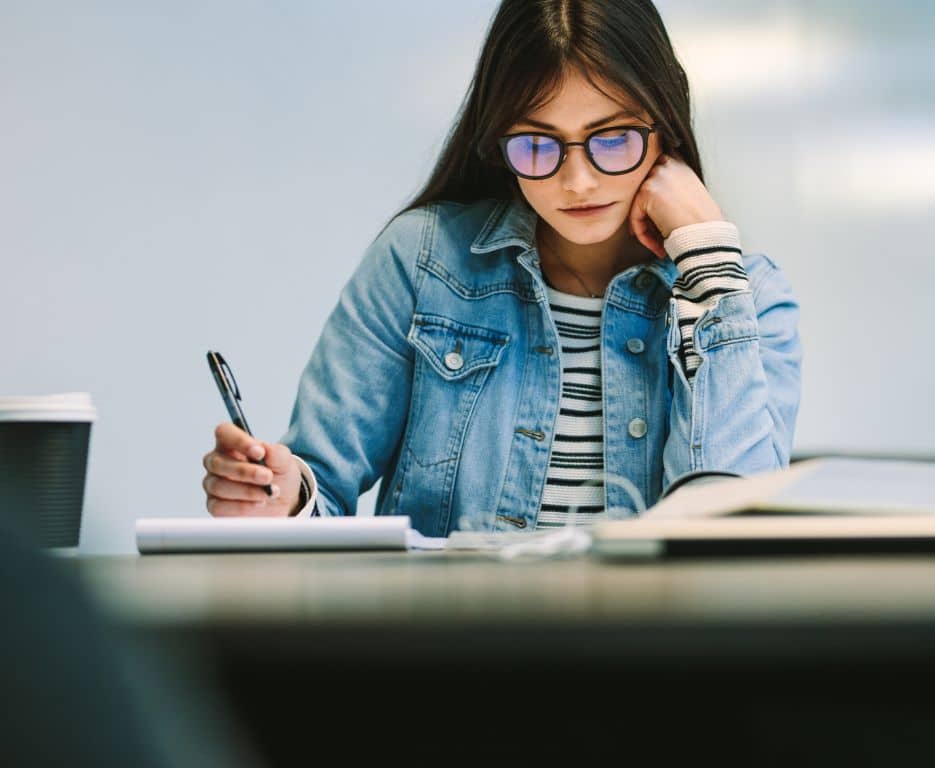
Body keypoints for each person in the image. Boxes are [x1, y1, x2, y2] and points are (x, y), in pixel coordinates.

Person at [201, 0, 802, 536]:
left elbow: (729, 533)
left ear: (664, 125)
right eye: (538, 144)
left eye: (613, 138)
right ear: (499, 141)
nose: (579, 180)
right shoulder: (422, 260)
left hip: (646, 653)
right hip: (452, 646)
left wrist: (708, 260)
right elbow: (321, 488)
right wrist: (281, 498)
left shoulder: (747, 293)